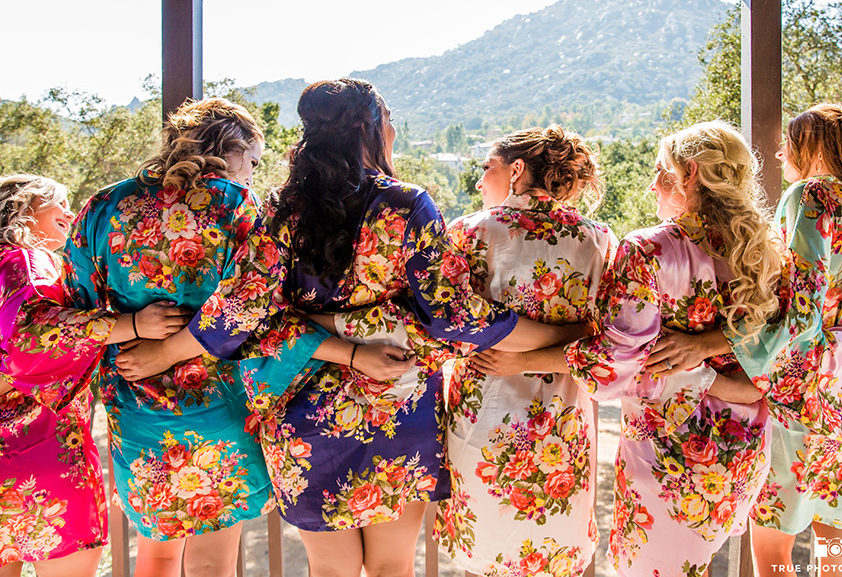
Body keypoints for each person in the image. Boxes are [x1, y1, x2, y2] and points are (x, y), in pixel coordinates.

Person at [120, 79, 578, 577]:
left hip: (302, 412)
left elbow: (247, 308)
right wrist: (550, 335)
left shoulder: (280, 208)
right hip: (397, 404)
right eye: (389, 119)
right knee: (393, 568)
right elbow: (451, 314)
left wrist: (169, 352)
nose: (395, 130)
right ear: (370, 128)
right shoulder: (408, 204)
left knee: (330, 573)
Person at [64, 97, 410, 577]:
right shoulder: (235, 206)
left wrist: (135, 338)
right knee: (214, 560)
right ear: (234, 146)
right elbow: (251, 307)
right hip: (221, 402)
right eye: (252, 160)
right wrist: (172, 349)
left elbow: (78, 304)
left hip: (135, 400)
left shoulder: (103, 205)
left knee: (158, 552)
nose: (251, 172)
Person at [475, 121, 785, 576]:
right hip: (743, 447)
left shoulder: (649, 249)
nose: (652, 184)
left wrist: (524, 360)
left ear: (689, 174)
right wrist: (717, 363)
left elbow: (615, 358)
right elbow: (784, 345)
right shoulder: (764, 250)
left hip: (670, 450)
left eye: (662, 171)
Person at [645, 105, 842, 575]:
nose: (781, 153)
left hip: (800, 410)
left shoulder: (814, 197)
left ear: (818, 147)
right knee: (839, 556)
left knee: (774, 559)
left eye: (791, 143)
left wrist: (707, 347)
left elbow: (798, 314)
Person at [0, 174, 186, 577]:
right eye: (60, 203)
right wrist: (134, 324)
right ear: (24, 206)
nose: (71, 214)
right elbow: (36, 337)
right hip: (31, 448)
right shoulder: (23, 260)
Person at [425, 125, 614, 576]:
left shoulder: (470, 231)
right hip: (564, 420)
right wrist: (568, 333)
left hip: (485, 418)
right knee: (552, 552)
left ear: (516, 169)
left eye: (486, 167)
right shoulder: (599, 239)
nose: (478, 181)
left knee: (484, 551)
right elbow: (607, 336)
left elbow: (451, 325)